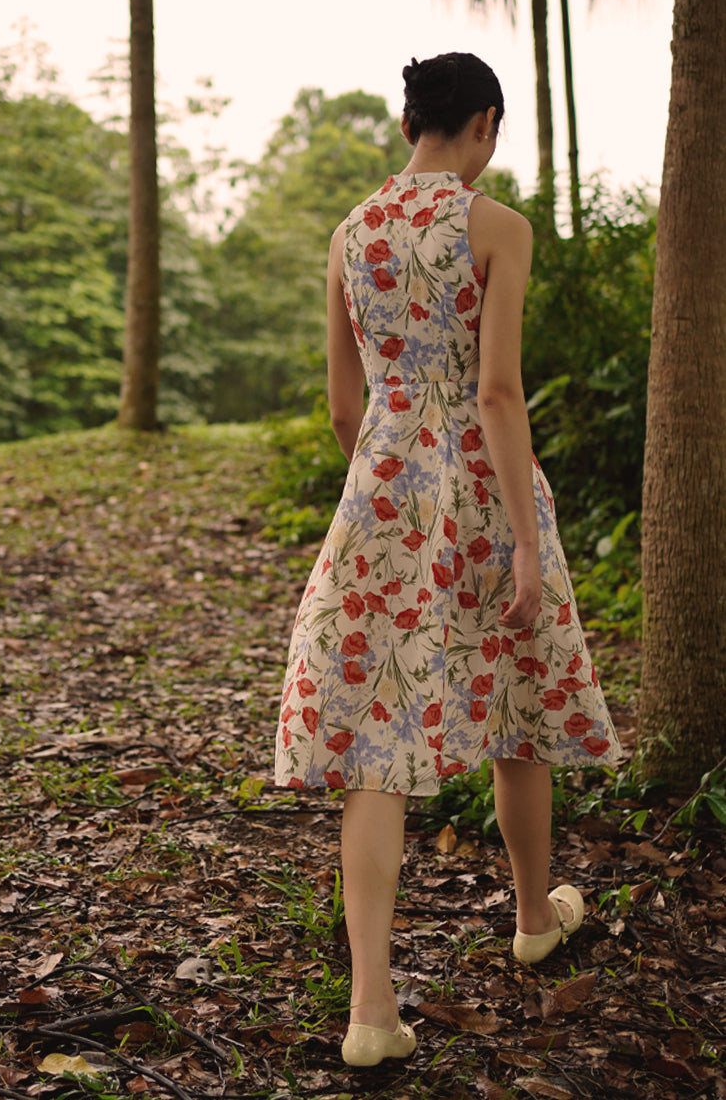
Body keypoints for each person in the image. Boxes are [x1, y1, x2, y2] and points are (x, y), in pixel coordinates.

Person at [273, 53, 621, 1069]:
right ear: (485, 124)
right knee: (517, 696)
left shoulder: (347, 234)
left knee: (371, 742)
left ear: (403, 124)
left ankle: (371, 1006)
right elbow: (498, 391)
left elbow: (344, 405)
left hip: (381, 492)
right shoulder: (493, 226)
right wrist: (518, 533)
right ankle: (530, 916)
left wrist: (390, 482)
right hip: (485, 486)